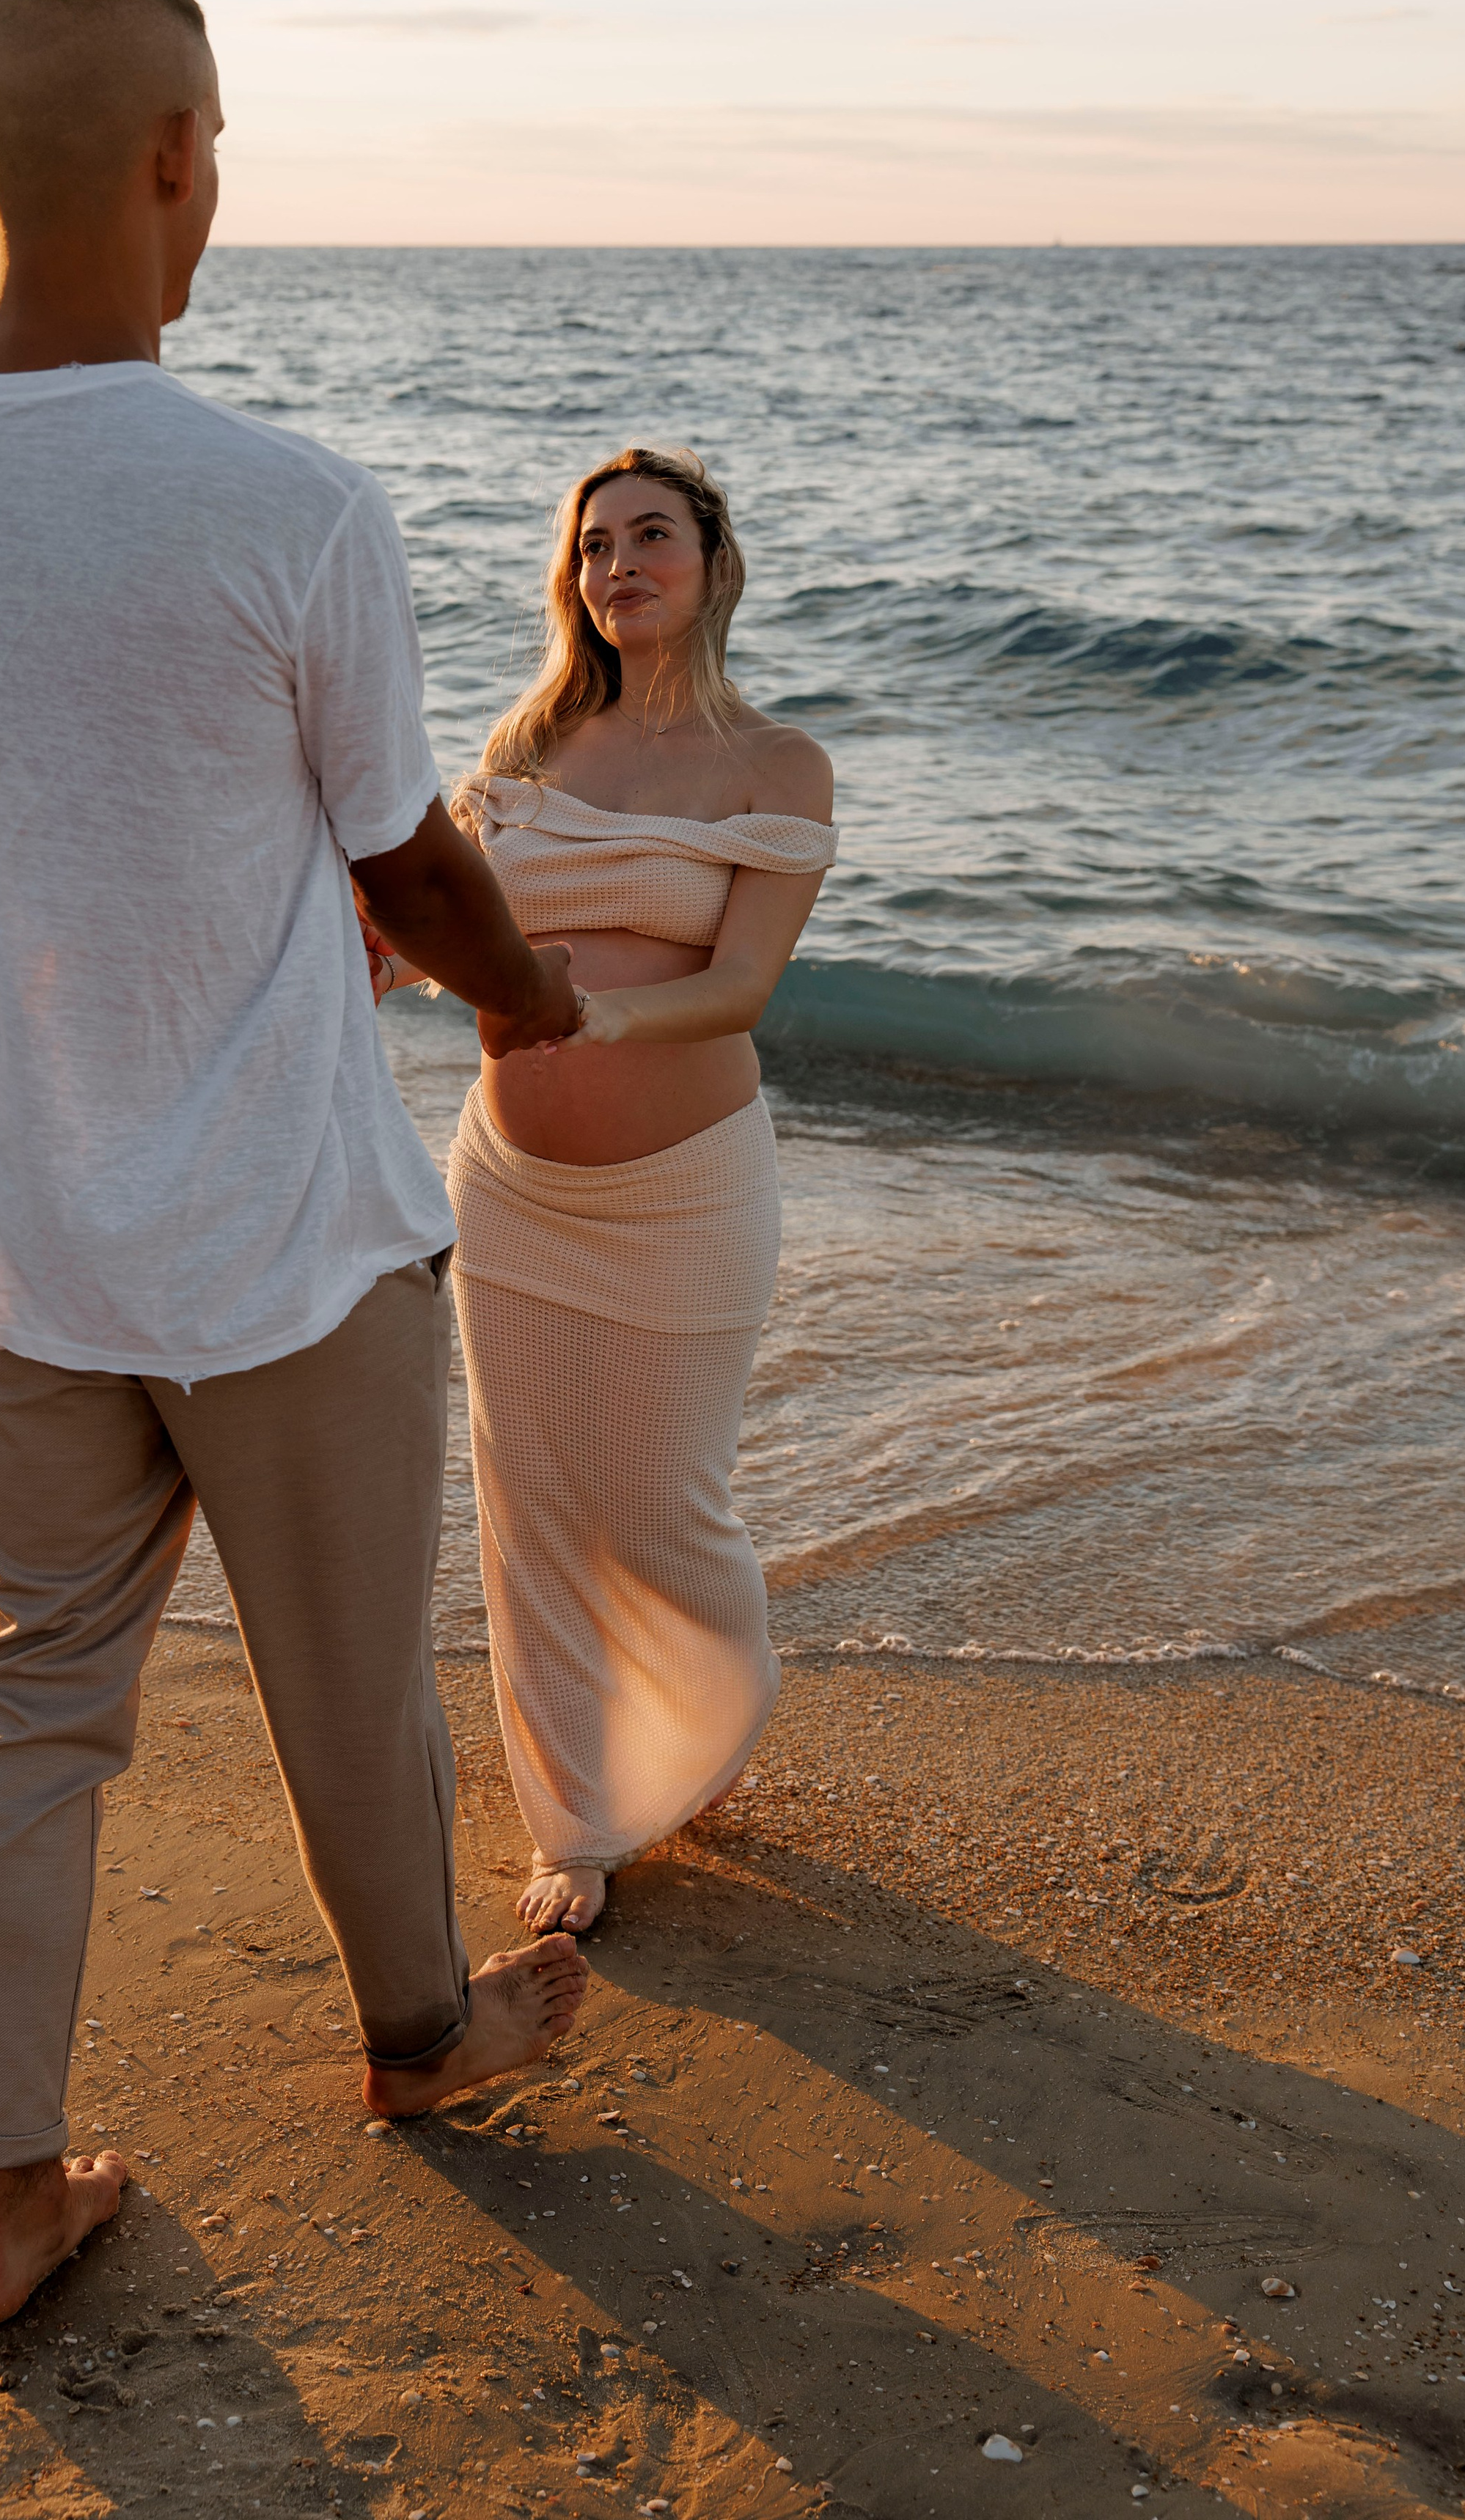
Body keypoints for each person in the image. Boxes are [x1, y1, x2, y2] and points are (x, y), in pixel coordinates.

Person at [0, 0, 587, 2329]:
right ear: (173, 156)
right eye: (215, 145)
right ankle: (427, 2036)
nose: (215, 186)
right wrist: (538, 1009)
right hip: (275, 1231)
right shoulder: (291, 501)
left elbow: (72, 801)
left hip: (21, 1235)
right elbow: (409, 866)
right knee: (351, 1680)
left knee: (28, 1702)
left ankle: (11, 2195)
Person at [370, 446, 835, 1939]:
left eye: (649, 535)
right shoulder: (521, 753)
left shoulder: (776, 767)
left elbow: (743, 986)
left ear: (711, 561)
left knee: (659, 1509)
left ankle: (699, 1724)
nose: (615, 564)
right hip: (509, 1189)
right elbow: (427, 943)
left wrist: (589, 1016)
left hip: (684, 1192)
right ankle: (575, 1816)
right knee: (532, 1505)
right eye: (589, 546)